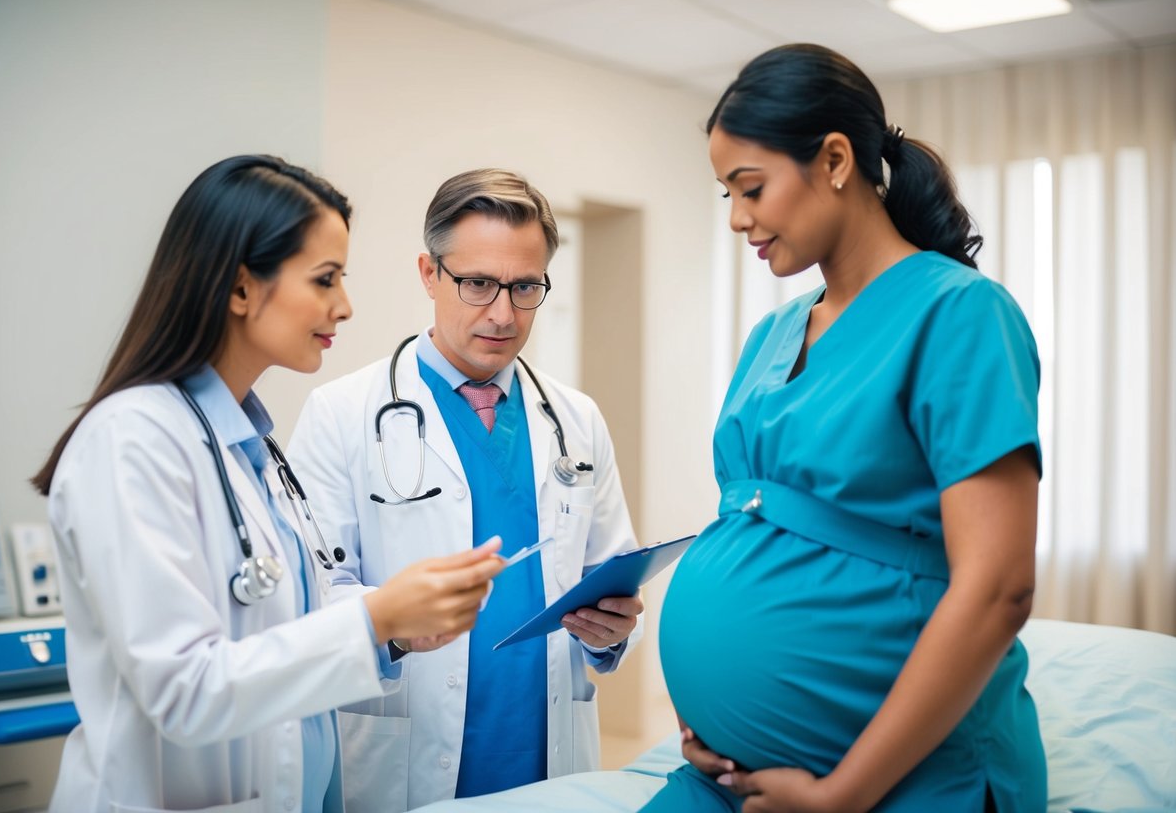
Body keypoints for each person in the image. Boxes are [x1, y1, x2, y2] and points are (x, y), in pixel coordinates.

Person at [30, 155, 504, 813]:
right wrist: (376, 615)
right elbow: (184, 691)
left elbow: (291, 624)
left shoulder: (252, 451)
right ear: (240, 287)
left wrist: (393, 628)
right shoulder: (132, 441)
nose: (345, 305)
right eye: (324, 279)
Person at [646, 44, 1046, 812]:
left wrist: (842, 798)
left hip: (894, 784)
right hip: (734, 774)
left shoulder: (958, 313)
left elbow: (999, 587)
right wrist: (712, 707)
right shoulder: (774, 334)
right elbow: (756, 535)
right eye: (725, 193)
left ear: (833, 159)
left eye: (750, 187)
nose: (736, 218)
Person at [286, 167, 644, 811]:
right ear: (429, 273)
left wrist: (612, 630)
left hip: (549, 758)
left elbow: (610, 575)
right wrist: (397, 622)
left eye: (525, 287)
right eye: (478, 283)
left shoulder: (576, 419)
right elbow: (314, 602)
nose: (503, 314)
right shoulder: (340, 413)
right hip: (405, 759)